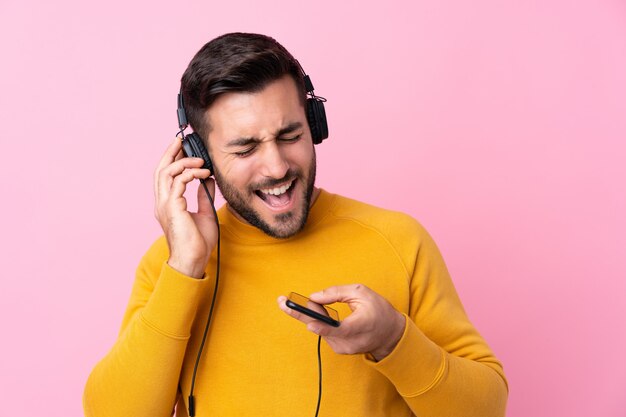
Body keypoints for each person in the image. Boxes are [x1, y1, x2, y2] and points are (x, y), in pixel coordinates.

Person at [83, 32, 508, 417]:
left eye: (289, 136)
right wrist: (186, 268)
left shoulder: (399, 240)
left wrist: (393, 339)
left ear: (315, 126)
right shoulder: (172, 264)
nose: (276, 166)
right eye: (246, 148)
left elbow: (485, 410)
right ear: (201, 158)